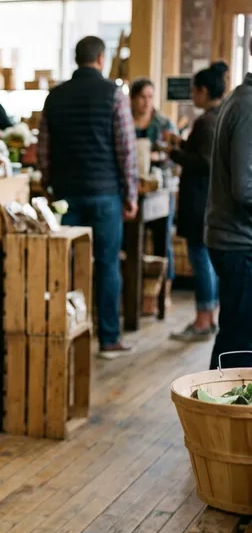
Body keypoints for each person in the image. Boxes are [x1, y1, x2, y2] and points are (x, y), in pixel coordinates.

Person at [37, 35, 138, 360]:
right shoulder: (113, 93)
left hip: (66, 194)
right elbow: (125, 148)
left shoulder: (55, 96)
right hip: (106, 194)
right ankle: (109, 339)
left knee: (62, 265)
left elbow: (43, 147)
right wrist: (130, 192)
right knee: (107, 264)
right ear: (101, 59)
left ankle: (61, 334)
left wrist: (49, 183)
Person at [168, 62, 226, 342]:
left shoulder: (206, 121)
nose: (192, 95)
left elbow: (203, 162)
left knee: (200, 259)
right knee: (205, 260)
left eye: (194, 90)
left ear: (203, 90)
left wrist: (173, 152)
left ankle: (203, 320)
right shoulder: (219, 116)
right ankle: (209, 316)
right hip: (209, 200)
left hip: (199, 200)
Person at [205, 49, 252, 370]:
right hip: (238, 244)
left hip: (236, 240)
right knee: (238, 342)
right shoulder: (248, 106)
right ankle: (215, 418)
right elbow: (245, 188)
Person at [131, 77, 178, 297]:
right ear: (132, 99)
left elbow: (174, 156)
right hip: (133, 188)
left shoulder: (163, 124)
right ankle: (135, 291)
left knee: (162, 240)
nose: (146, 102)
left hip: (159, 188)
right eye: (142, 97)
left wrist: (156, 155)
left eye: (150, 97)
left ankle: (163, 292)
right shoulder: (124, 122)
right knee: (130, 240)